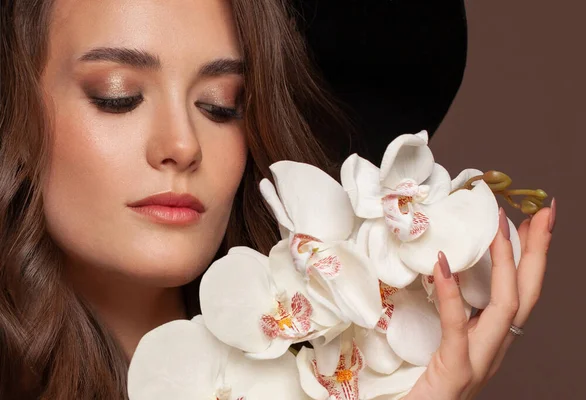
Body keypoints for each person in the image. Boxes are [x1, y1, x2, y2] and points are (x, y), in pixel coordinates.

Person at [0, 0, 556, 399]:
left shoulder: (333, 370)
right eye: (117, 97)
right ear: (14, 118)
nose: (182, 145)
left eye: (221, 105)